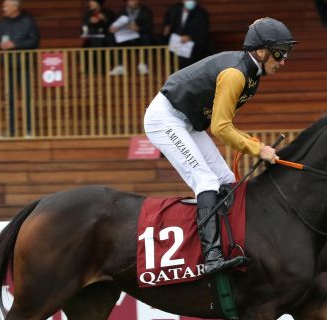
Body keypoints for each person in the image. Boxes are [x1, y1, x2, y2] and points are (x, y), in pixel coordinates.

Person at [144, 17, 295, 274]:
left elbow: (221, 125)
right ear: (261, 51)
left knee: (226, 180)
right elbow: (221, 128)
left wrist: (255, 146)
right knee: (206, 180)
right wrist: (258, 149)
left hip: (188, 121)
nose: (283, 61)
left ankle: (232, 244)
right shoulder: (236, 74)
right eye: (280, 53)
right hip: (165, 118)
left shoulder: (252, 74)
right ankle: (212, 257)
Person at [0, 0, 40, 136]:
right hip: (8, 65)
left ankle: (29, 130)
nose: (4, 8)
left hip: (25, 64)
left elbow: (34, 41)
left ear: (15, 7)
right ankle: (11, 130)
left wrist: (16, 45)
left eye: (6, 6)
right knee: (10, 99)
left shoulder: (28, 21)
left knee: (27, 97)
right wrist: (0, 45)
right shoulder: (3, 23)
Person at [108, 0, 154, 76]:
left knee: (146, 37)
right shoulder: (121, 12)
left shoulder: (145, 11)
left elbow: (149, 27)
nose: (134, 2)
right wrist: (114, 28)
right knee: (112, 38)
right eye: (131, 0)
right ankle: (120, 66)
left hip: (139, 36)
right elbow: (116, 25)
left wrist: (138, 28)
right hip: (125, 36)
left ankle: (142, 64)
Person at [162, 0, 210, 68]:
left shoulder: (201, 12)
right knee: (175, 64)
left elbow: (203, 30)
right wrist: (166, 28)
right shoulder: (174, 9)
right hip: (175, 43)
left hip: (194, 47)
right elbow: (167, 23)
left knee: (191, 66)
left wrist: (190, 37)